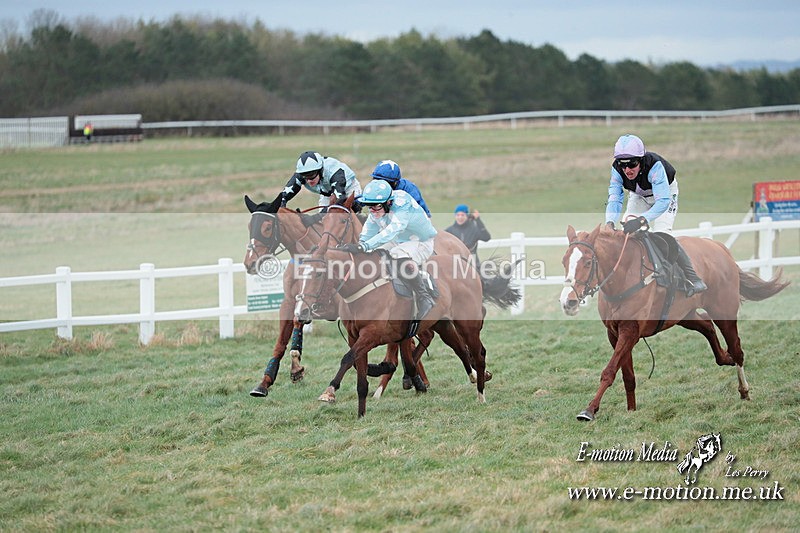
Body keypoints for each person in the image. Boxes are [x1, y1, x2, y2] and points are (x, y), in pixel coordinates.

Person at [605, 134, 707, 297]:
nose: (627, 170)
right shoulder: (617, 170)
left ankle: (692, 277)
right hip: (638, 195)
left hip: (665, 195)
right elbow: (615, 198)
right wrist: (609, 222)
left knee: (662, 234)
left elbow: (662, 202)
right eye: (622, 165)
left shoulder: (655, 166)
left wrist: (642, 220)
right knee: (626, 233)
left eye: (632, 164)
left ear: (641, 160)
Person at [339, 179, 438, 318]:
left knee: (397, 253)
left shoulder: (402, 204)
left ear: (389, 202)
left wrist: (364, 246)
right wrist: (360, 245)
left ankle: (424, 297)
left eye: (376, 206)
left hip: (421, 241)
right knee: (371, 251)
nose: (373, 211)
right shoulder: (378, 208)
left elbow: (392, 231)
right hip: (398, 240)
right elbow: (369, 230)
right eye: (369, 207)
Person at [279, 151, 363, 224]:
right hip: (328, 193)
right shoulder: (301, 174)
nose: (308, 180)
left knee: (345, 219)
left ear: (320, 170)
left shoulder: (335, 172)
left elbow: (340, 199)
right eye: (305, 176)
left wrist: (314, 218)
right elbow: (283, 197)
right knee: (324, 223)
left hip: (348, 190)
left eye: (311, 175)